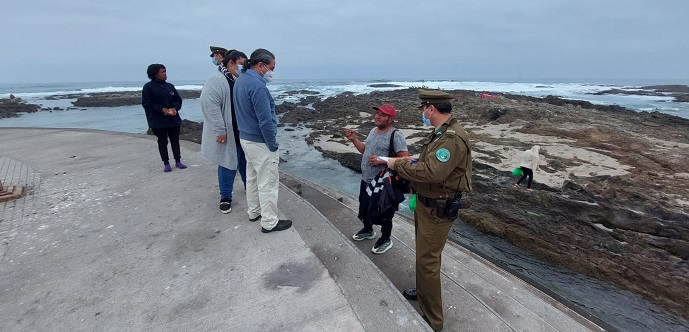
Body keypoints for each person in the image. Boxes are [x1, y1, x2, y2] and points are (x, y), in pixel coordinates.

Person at [386, 89, 472, 332]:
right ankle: (423, 294)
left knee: (427, 261)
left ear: (431, 109)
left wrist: (398, 164)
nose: (423, 113)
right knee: (424, 256)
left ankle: (432, 320)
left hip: (438, 210)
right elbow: (431, 163)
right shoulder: (442, 133)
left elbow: (433, 172)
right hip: (427, 205)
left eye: (423, 108)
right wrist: (414, 160)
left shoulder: (452, 138)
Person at [233, 48, 292, 233]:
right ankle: (269, 222)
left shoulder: (241, 80)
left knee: (252, 178)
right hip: (260, 142)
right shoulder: (257, 87)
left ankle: (254, 211)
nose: (272, 72)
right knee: (267, 182)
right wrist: (272, 145)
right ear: (261, 65)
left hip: (245, 138)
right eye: (271, 68)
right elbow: (265, 121)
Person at [345, 103, 408, 254]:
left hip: (383, 184)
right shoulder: (373, 131)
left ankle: (386, 239)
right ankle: (368, 230)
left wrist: (382, 160)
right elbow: (365, 150)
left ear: (390, 119)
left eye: (382, 114)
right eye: (377, 113)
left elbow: (405, 159)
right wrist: (354, 139)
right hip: (366, 180)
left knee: (384, 213)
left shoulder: (396, 135)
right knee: (365, 208)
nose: (377, 116)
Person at [200, 50, 248, 213]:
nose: (244, 67)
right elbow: (209, 105)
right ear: (231, 62)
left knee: (244, 160)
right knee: (227, 163)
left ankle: (249, 186)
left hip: (241, 129)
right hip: (227, 130)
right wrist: (220, 130)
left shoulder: (238, 78)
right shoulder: (217, 80)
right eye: (242, 63)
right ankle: (226, 197)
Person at [141, 64, 186, 172]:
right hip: (158, 121)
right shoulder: (148, 87)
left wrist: (175, 108)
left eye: (165, 71)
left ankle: (178, 161)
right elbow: (146, 104)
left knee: (175, 140)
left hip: (173, 119)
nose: (165, 74)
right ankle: (166, 163)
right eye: (162, 72)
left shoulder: (170, 86)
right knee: (162, 142)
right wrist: (162, 109)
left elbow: (178, 100)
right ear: (155, 74)